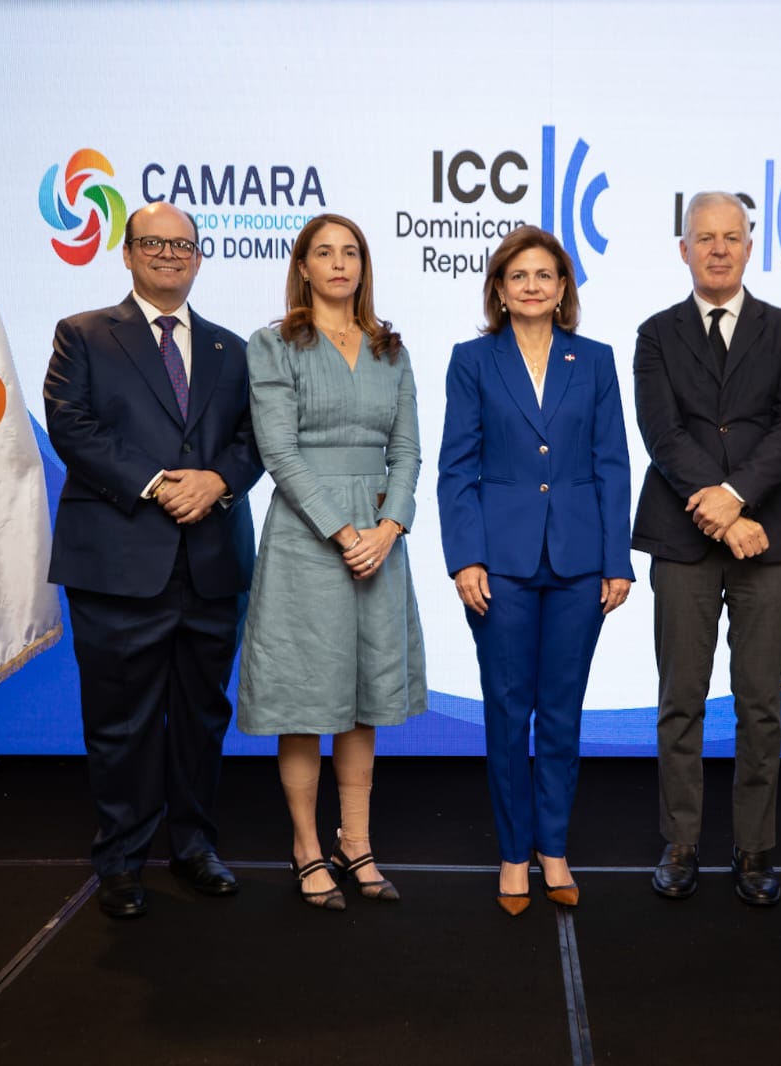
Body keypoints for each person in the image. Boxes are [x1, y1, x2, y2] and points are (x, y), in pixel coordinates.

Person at [45, 202, 265, 919]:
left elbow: (255, 438)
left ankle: (196, 847)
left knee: (201, 717)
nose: (169, 254)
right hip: (117, 562)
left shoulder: (235, 349)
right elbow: (71, 426)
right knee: (121, 722)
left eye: (182, 244)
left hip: (211, 563)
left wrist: (219, 479)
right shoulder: (82, 334)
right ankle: (120, 861)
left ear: (198, 257)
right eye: (154, 242)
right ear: (128, 252)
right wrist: (156, 483)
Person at [437, 226, 634, 916]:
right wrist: (465, 556)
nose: (531, 285)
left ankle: (554, 848)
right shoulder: (472, 360)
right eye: (517, 275)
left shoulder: (595, 359)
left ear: (561, 289)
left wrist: (616, 559)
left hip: (581, 562)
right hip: (500, 563)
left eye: (544, 275)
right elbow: (456, 467)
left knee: (560, 713)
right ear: (499, 288)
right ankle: (513, 854)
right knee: (506, 709)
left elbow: (613, 463)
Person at [236, 213, 426, 911]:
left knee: (364, 694)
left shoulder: (390, 349)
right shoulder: (273, 345)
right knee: (304, 697)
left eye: (351, 252)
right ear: (304, 267)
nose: (340, 263)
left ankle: (357, 842)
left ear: (363, 267)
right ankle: (307, 846)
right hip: (306, 537)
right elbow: (279, 452)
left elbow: (407, 450)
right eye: (325, 252)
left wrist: (391, 526)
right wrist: (346, 532)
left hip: (380, 541)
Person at [632, 191, 781, 906]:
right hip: (683, 538)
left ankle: (754, 847)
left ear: (748, 247)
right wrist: (722, 513)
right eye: (704, 237)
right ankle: (680, 841)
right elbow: (662, 433)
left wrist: (736, 497)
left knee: (760, 702)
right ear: (684, 250)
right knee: (680, 699)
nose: (717, 248)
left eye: (730, 237)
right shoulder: (655, 334)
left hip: (768, 535)